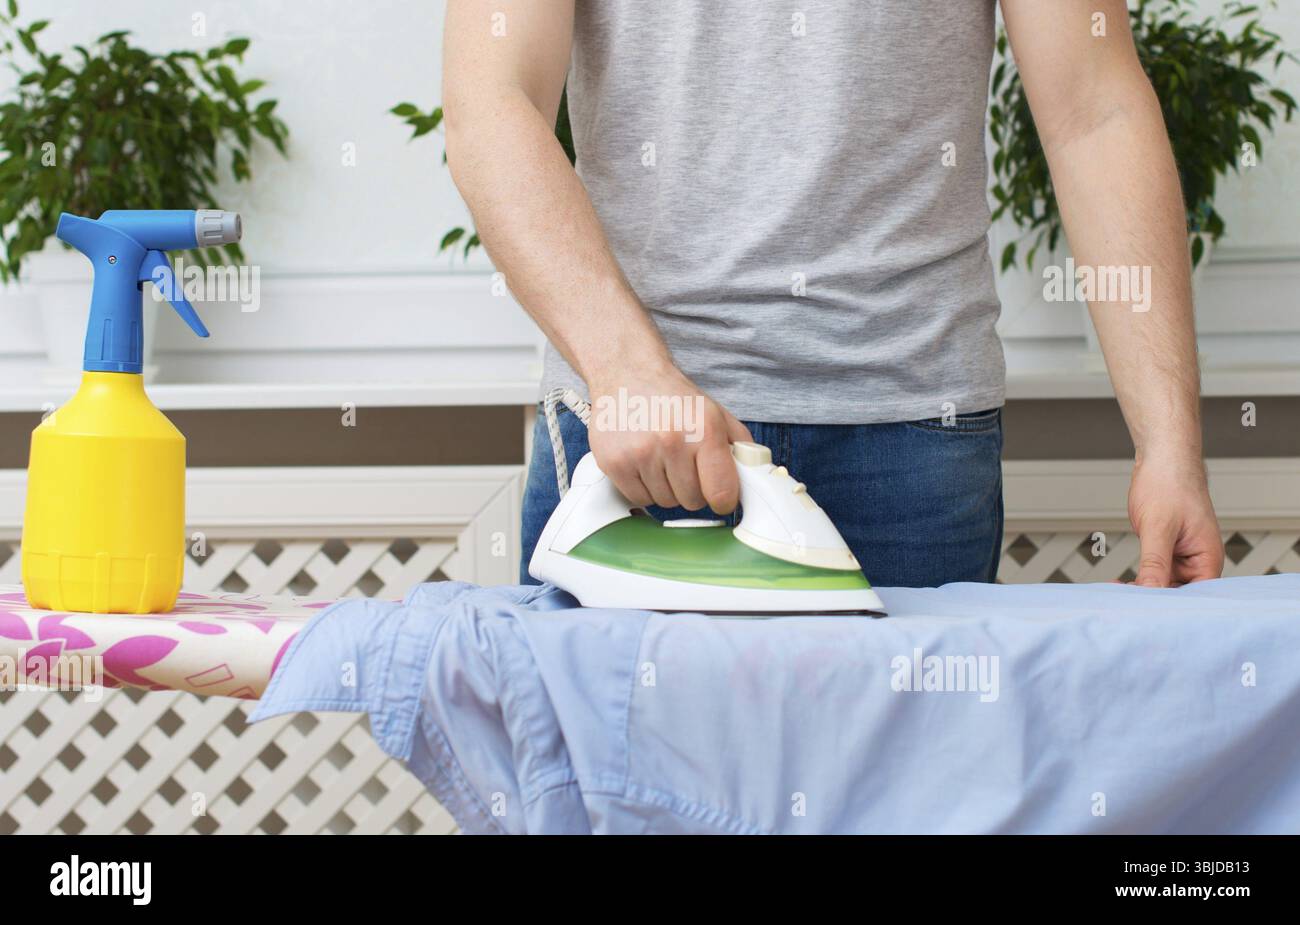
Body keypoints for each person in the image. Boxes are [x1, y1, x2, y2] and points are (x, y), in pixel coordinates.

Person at [441, 0, 1224, 588]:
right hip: (635, 442)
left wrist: (1169, 444)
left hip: (914, 437)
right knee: (619, 802)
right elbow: (492, 100)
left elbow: (1095, 109)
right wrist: (628, 373)